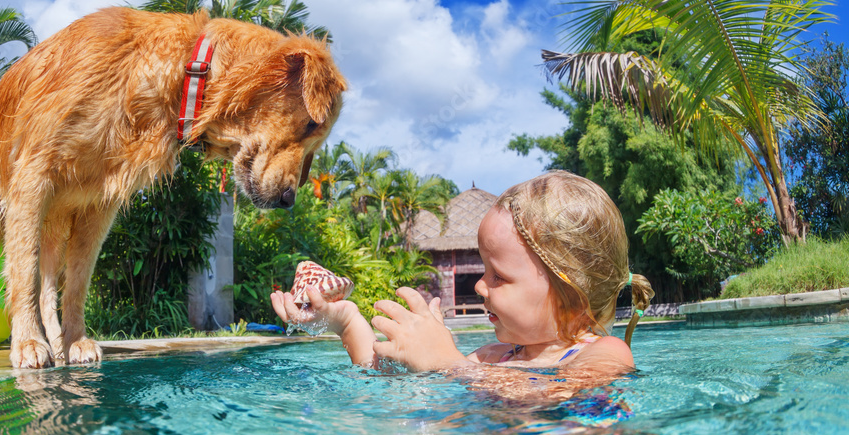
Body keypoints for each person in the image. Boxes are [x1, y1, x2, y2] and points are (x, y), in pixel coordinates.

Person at [271, 170, 655, 380]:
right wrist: (346, 321)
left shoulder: (604, 354)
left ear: (572, 293)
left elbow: (561, 396)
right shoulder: (491, 356)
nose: (478, 285)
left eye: (499, 277)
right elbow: (385, 380)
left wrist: (448, 362)